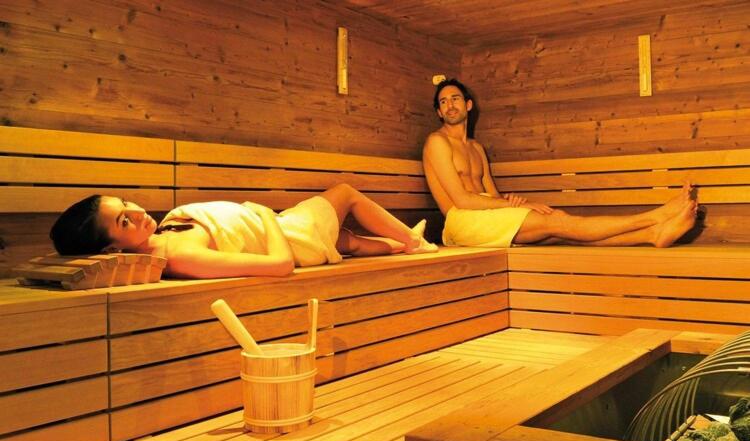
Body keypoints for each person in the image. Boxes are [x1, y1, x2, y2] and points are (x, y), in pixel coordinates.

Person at [422, 78, 698, 248]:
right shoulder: (437, 142)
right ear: (439, 112)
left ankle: (653, 234)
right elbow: (461, 200)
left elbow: (491, 195)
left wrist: (513, 202)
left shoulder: (475, 148)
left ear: (468, 105)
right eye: (443, 102)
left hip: (486, 216)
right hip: (461, 222)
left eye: (455, 99)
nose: (450, 105)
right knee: (559, 222)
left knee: (561, 232)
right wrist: (513, 206)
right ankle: (655, 217)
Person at [50, 183, 437, 278]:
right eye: (124, 221)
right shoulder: (178, 255)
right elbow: (280, 266)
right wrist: (265, 214)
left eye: (126, 204)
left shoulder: (158, 240)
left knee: (349, 242)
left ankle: (401, 243)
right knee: (345, 193)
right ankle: (413, 239)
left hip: (288, 230)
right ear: (112, 250)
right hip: (289, 236)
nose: (136, 213)